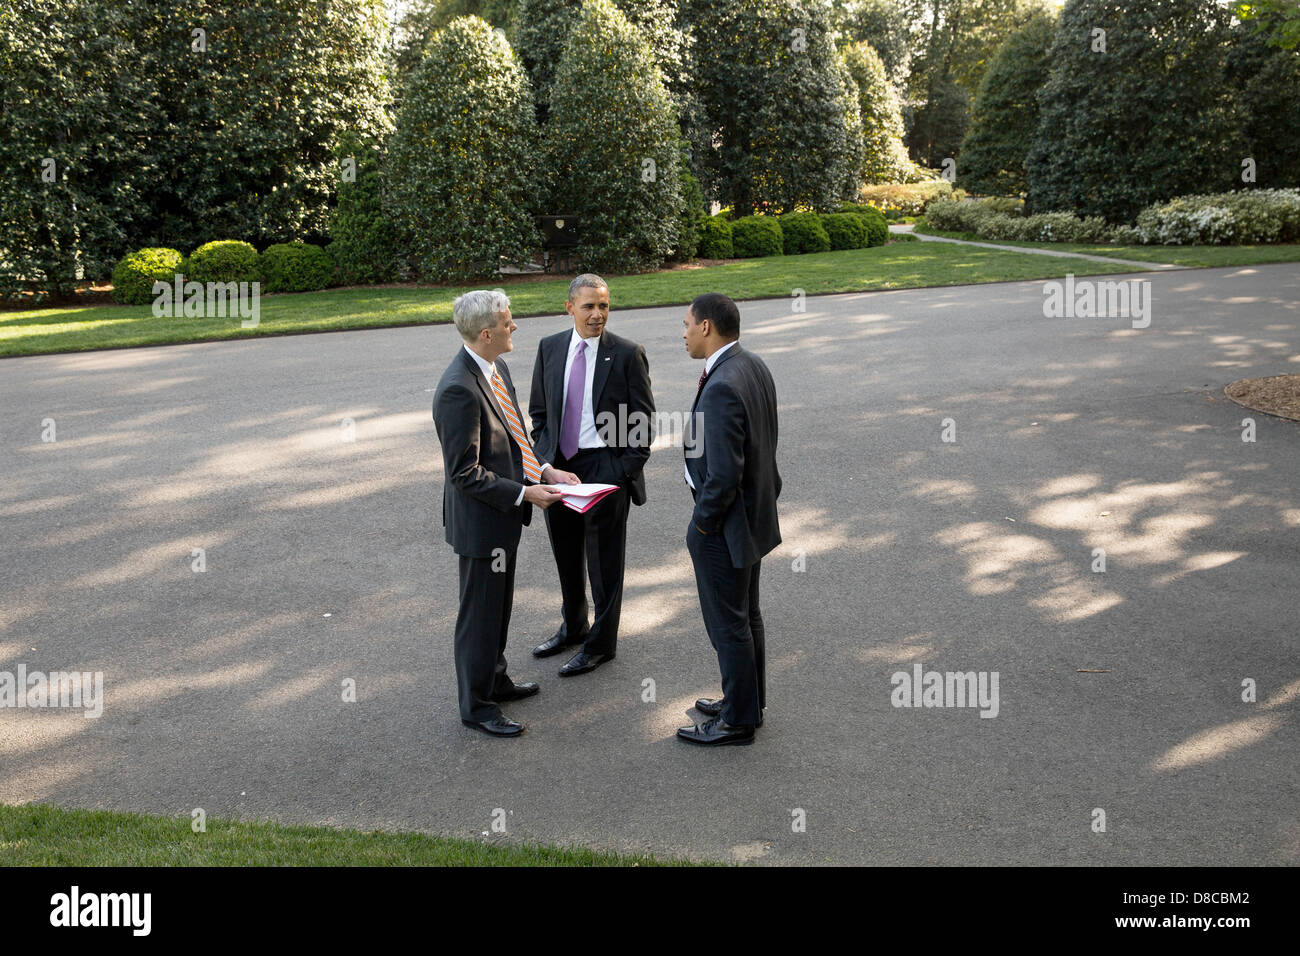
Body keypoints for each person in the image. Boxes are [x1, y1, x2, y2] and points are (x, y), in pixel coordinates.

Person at [432, 290, 578, 737]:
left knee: (497, 609)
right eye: (509, 322)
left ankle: (494, 681)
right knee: (479, 616)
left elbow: (516, 440)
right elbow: (465, 474)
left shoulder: (497, 369)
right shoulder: (458, 388)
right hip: (481, 525)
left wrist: (546, 470)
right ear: (486, 333)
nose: (516, 327)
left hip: (503, 520)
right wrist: (527, 495)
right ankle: (477, 706)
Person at [528, 274, 655, 676]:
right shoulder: (550, 348)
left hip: (606, 468)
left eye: (603, 305)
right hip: (559, 469)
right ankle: (573, 626)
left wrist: (620, 473)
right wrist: (545, 463)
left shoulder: (627, 353)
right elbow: (540, 416)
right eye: (589, 306)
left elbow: (643, 423)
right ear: (570, 308)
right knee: (566, 555)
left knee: (604, 563)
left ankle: (601, 645)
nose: (597, 314)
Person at [677, 293, 782, 746]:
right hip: (752, 517)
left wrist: (701, 525)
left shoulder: (721, 384)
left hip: (725, 524)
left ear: (706, 327)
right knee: (747, 615)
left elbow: (723, 474)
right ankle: (746, 702)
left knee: (729, 623)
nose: (682, 333)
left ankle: (737, 722)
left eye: (686, 324)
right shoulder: (751, 364)